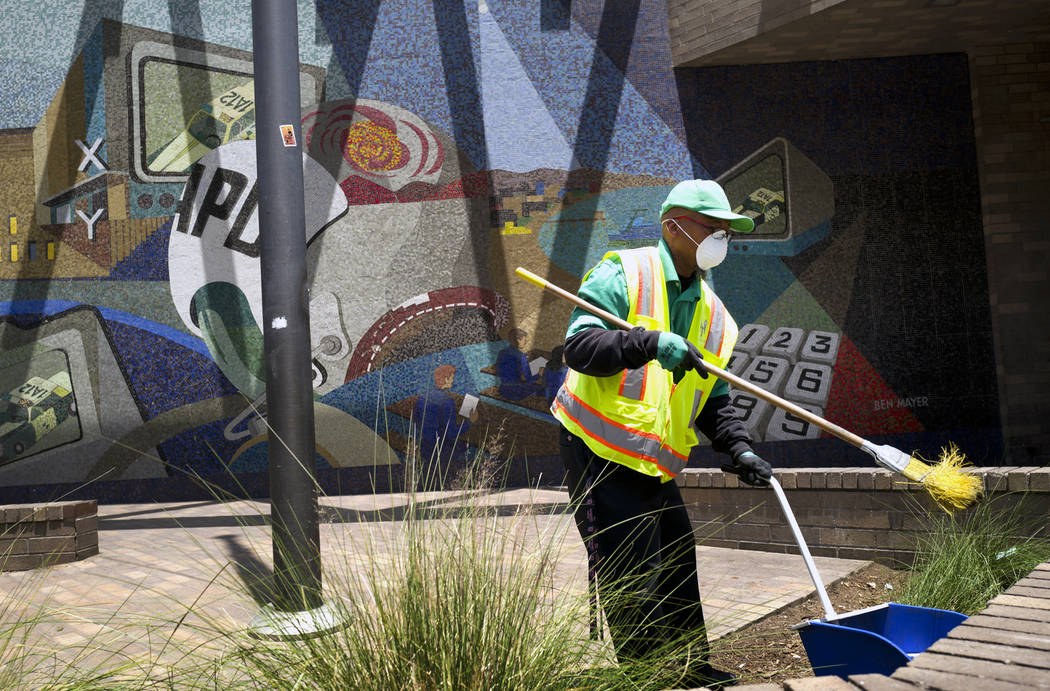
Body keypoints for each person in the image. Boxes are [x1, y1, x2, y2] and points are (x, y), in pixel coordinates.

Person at [551, 179, 773, 687]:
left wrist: (738, 448)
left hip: (650, 459)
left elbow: (713, 398)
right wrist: (646, 344)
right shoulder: (623, 273)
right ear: (673, 226)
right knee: (630, 567)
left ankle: (693, 669)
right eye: (711, 227)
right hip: (596, 447)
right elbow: (579, 349)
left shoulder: (716, 318)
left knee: (676, 557)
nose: (721, 237)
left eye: (727, 231)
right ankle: (649, 678)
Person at [412, 364, 477, 476]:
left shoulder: (422, 397)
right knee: (468, 445)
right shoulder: (448, 402)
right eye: (451, 377)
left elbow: (416, 419)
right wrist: (470, 422)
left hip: (425, 446)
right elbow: (451, 434)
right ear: (446, 379)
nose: (453, 380)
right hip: (441, 450)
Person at [496, 327, 541, 400]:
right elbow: (527, 378)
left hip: (503, 389)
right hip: (516, 392)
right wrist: (539, 375)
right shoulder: (521, 356)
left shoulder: (501, 352)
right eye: (524, 340)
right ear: (518, 340)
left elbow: (498, 372)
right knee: (542, 389)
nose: (525, 342)